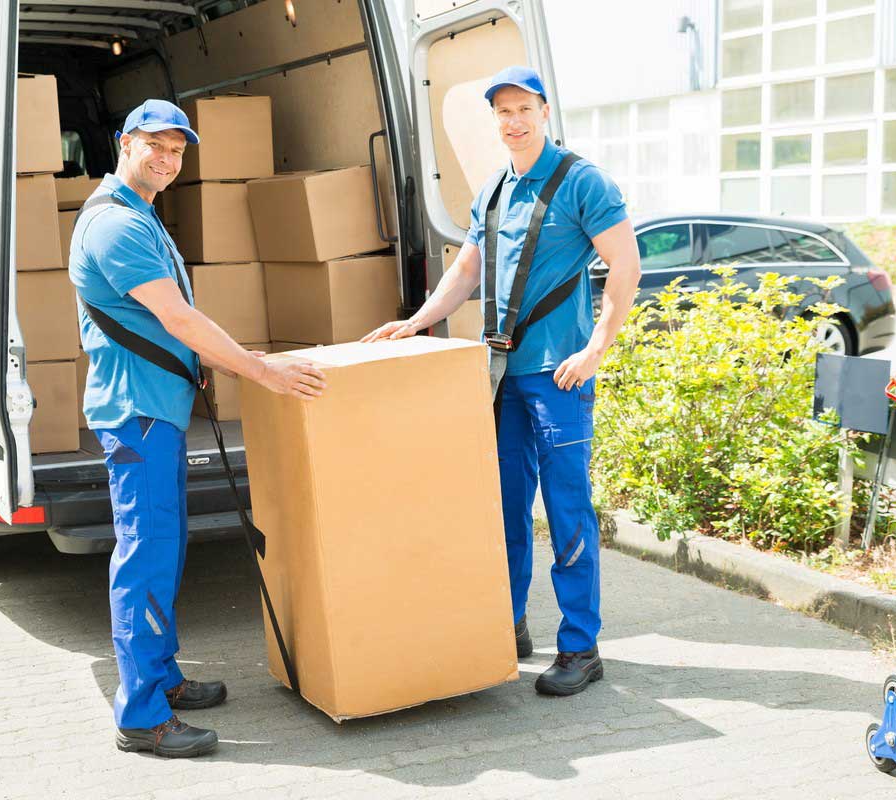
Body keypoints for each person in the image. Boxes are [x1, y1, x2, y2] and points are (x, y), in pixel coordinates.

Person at [363, 67, 640, 697]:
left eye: (523, 109)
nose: (513, 121)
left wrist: (596, 348)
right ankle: (507, 624)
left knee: (567, 510)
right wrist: (416, 320)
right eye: (503, 112)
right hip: (503, 375)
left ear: (544, 111)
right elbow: (466, 271)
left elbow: (625, 265)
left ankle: (580, 646)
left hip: (560, 374)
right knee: (505, 508)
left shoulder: (582, 181)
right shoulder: (493, 189)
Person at [68, 99, 326, 757]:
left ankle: (162, 679)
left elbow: (167, 323)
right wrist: (258, 371)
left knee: (167, 548)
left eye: (177, 151)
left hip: (157, 408)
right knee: (145, 557)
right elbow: (178, 318)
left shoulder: (141, 214)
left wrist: (222, 361)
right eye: (155, 144)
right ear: (125, 142)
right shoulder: (115, 225)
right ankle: (141, 716)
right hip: (137, 415)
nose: (166, 158)